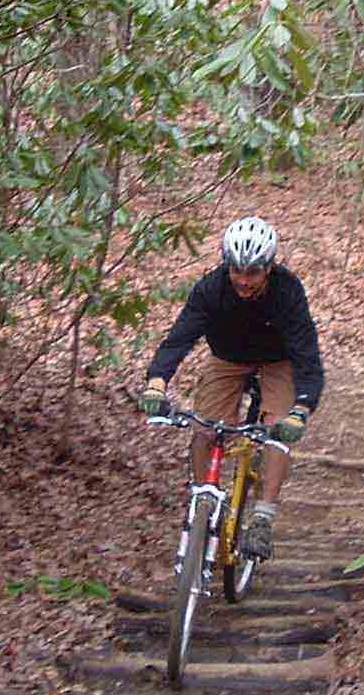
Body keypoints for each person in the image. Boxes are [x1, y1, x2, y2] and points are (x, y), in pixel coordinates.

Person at [139, 216, 325, 560]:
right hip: (227, 358)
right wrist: (156, 383)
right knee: (203, 428)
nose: (243, 280)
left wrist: (302, 407)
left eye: (252, 272)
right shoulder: (211, 289)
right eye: (236, 270)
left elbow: (306, 353)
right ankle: (203, 501)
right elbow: (179, 338)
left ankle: (262, 519)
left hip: (277, 361)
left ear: (268, 268)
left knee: (277, 432)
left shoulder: (287, 291)